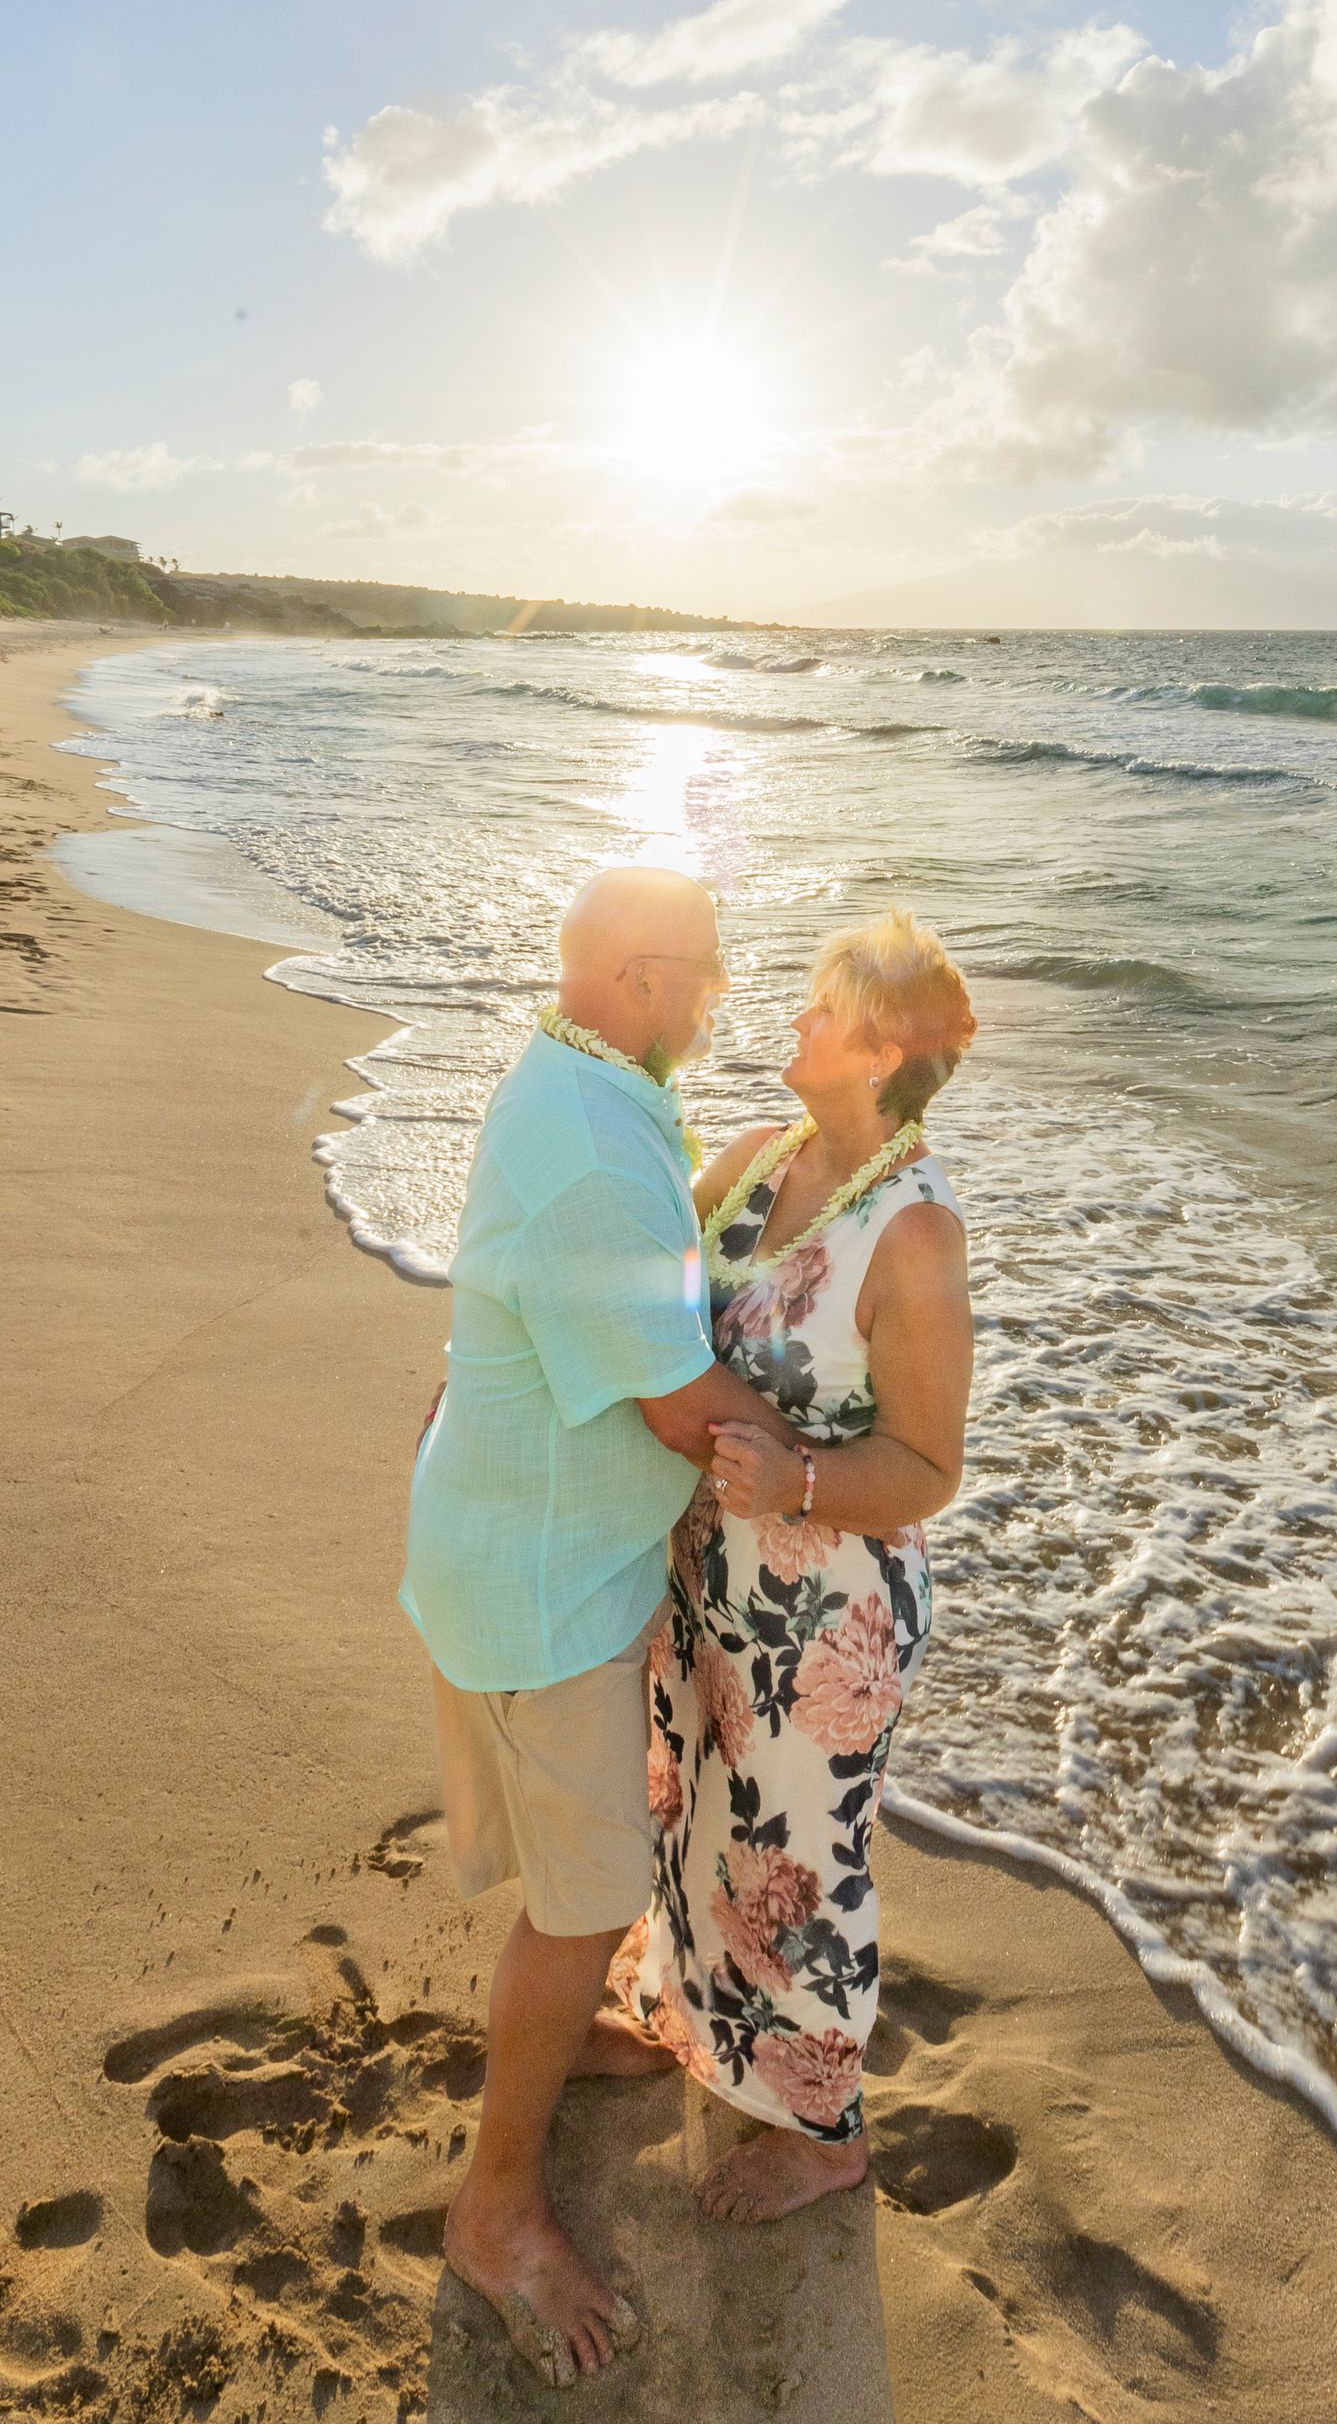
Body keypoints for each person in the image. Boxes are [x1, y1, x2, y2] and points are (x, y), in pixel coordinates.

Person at [400, 867, 809, 2388]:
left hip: (521, 1549)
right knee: (580, 1906)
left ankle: (563, 2039)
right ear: (640, 977)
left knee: (583, 1884)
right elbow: (678, 1394)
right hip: (540, 1594)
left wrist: (723, 1181)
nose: (717, 999)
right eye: (702, 974)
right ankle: (495, 2208)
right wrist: (840, 1478)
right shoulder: (587, 1134)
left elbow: (636, 1265)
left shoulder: (593, 1082)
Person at [611, 909, 976, 2225]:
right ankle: (695, 2031)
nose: (800, 1020)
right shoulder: (764, 1159)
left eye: (827, 1009)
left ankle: (825, 2132)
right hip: (711, 1582)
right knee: (702, 1821)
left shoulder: (917, 1238)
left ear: (882, 1050)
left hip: (827, 1626)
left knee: (803, 1872)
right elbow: (650, 1282)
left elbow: (930, 1467)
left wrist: (804, 1480)